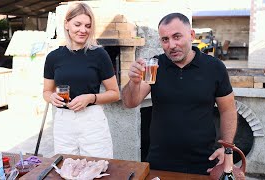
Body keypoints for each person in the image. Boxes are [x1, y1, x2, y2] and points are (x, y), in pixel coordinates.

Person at [122, 12, 237, 175]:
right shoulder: (155, 65)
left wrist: (227, 150)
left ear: (191, 35)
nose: (171, 45)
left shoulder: (214, 67)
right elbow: (130, 102)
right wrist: (133, 83)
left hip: (204, 161)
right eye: (165, 39)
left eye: (177, 37)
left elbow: (228, 110)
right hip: (159, 161)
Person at [43, 2, 120, 159]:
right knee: (66, 169)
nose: (83, 30)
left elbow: (115, 93)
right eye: (77, 24)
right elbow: (46, 91)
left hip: (92, 121)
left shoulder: (99, 55)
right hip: (63, 122)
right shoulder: (53, 57)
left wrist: (91, 98)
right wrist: (51, 97)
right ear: (66, 24)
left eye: (88, 25)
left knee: (98, 169)